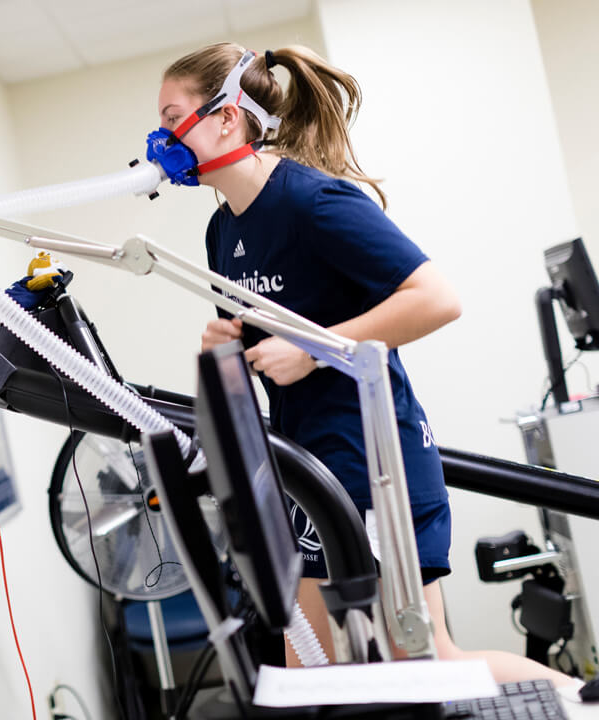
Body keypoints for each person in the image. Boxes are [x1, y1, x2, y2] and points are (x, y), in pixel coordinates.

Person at [152, 42, 575, 687]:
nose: (160, 136)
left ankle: (576, 698)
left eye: (171, 115)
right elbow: (275, 326)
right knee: (312, 670)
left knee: (428, 664)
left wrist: (313, 346)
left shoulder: (313, 202)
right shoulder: (223, 232)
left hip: (377, 463)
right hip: (306, 470)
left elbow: (436, 299)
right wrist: (228, 345)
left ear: (226, 118)